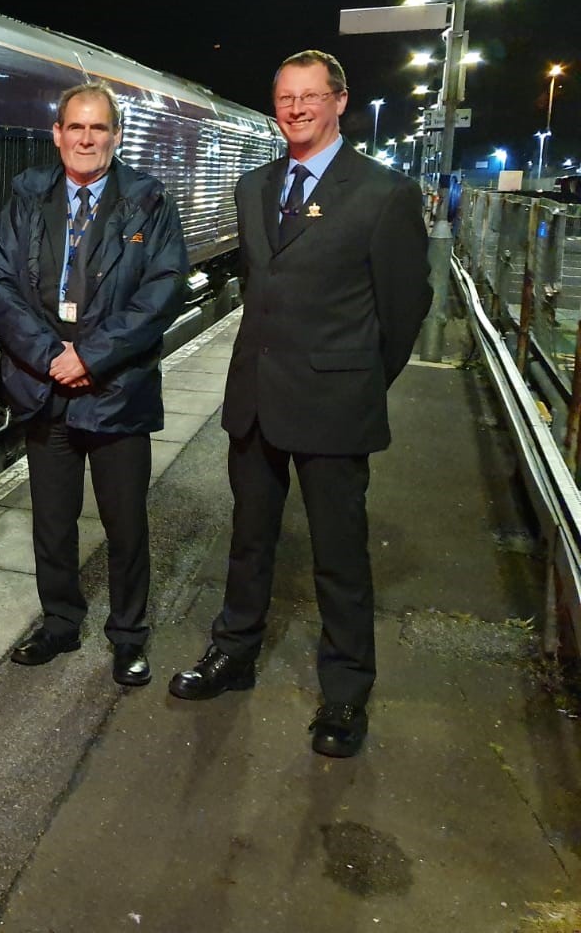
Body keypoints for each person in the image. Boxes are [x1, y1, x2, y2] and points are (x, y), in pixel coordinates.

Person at [169, 50, 430, 757]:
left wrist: (358, 380)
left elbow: (406, 308)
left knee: (339, 556)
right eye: (285, 97)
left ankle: (345, 692)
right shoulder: (254, 187)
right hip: (256, 399)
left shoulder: (382, 193)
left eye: (311, 97)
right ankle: (235, 651)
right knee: (249, 541)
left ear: (340, 102)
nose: (296, 108)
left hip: (335, 404)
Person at [0, 81, 186, 686]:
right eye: (76, 127)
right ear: (58, 134)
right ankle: (61, 622)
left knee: (125, 523)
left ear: (116, 136)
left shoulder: (148, 200)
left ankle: (127, 635)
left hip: (116, 391)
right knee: (52, 519)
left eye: (99, 128)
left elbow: (163, 290)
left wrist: (90, 357)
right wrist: (51, 356)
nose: (86, 139)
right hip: (46, 389)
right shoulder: (27, 196)